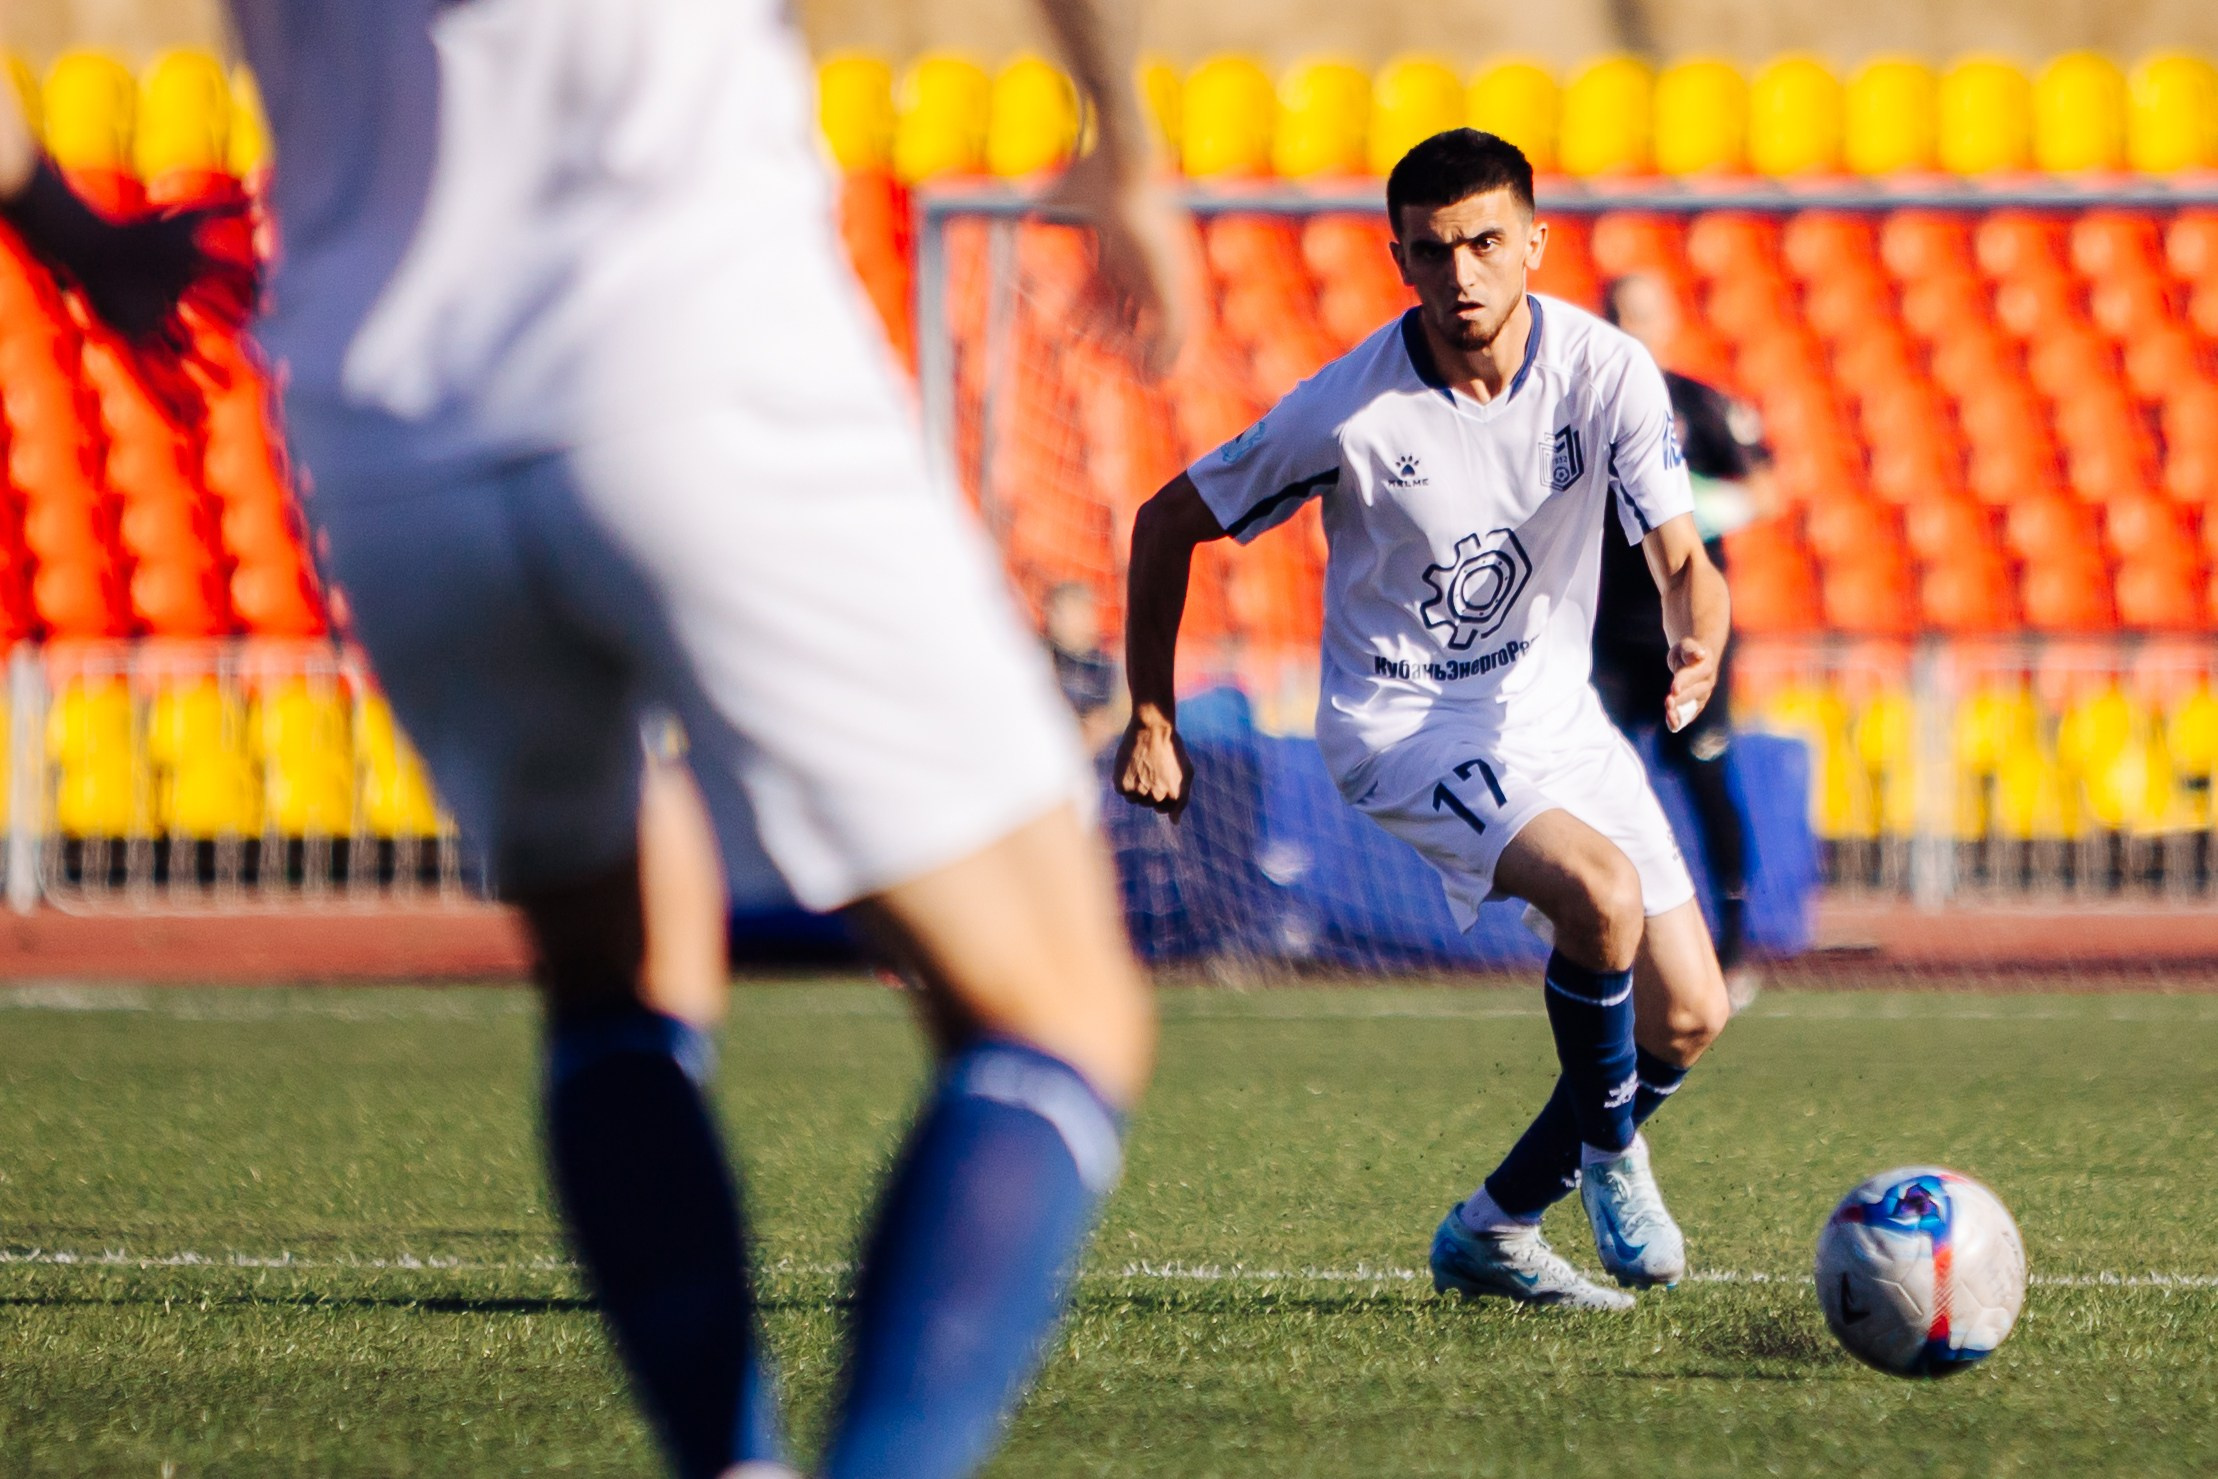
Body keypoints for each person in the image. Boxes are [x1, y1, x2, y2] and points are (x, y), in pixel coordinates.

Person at [4, 3, 1177, 1475]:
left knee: (616, 973)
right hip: (683, 354)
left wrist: (71, 228)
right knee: (1059, 1008)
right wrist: (1122, 142)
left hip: (380, 432)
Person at [1117, 129, 1731, 1310]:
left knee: (1692, 1013)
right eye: (1435, 250)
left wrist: (1695, 627)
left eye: (1487, 243)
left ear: (1535, 247)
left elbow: (1683, 556)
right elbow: (1162, 522)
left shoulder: (1605, 372)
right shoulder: (1349, 409)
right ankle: (1610, 1158)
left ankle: (1493, 1229)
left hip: (1555, 716)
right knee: (1595, 895)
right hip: (1403, 726)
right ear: (1399, 259)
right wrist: (1152, 713)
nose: (1462, 274)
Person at [1594, 271, 1773, 1007]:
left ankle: (1731, 942)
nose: (1631, 329)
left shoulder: (1701, 406)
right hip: (1601, 629)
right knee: (1592, 784)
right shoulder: (1582, 407)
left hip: (1687, 629)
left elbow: (1763, 489)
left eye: (1643, 314)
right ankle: (1602, 939)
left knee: (1705, 777)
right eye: (1618, 316)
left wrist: (1678, 507)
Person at [1043, 581, 1129, 753]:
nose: (1057, 618)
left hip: (1084, 758)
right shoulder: (1039, 656)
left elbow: (1106, 722)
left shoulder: (1106, 667)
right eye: (1055, 611)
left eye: (1068, 612)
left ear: (1088, 615)